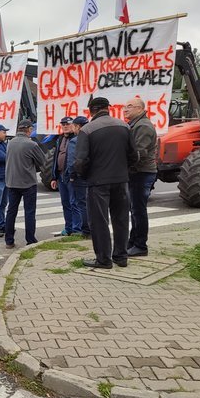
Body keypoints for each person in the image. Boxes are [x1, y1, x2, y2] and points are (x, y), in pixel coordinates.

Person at [74, 97, 135, 269]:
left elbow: (80, 161)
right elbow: (134, 155)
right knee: (121, 219)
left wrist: (85, 176)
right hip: (121, 181)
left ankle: (104, 259)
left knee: (99, 221)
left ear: (91, 111)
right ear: (108, 108)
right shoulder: (125, 126)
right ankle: (121, 257)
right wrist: (124, 170)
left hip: (98, 182)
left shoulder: (87, 130)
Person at [124, 97, 158, 256]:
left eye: (129, 106)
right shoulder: (136, 124)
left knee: (138, 210)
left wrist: (125, 166)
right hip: (138, 172)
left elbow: (138, 152)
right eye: (125, 106)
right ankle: (133, 241)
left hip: (141, 172)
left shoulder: (142, 126)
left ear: (140, 108)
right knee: (134, 209)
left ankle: (140, 245)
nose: (125, 109)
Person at [4, 120, 45, 248]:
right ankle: (30, 240)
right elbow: (43, 161)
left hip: (12, 182)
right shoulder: (31, 144)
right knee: (29, 212)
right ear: (28, 129)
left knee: (11, 211)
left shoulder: (10, 143)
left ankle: (9, 240)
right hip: (28, 183)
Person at [50, 116, 75, 235]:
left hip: (71, 176)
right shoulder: (59, 139)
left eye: (68, 124)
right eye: (63, 124)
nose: (65, 126)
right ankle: (68, 228)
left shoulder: (76, 138)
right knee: (65, 203)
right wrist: (53, 176)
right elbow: (55, 157)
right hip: (60, 176)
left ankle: (76, 228)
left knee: (74, 203)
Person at [67, 116, 91, 237]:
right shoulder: (93, 136)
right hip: (92, 175)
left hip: (79, 177)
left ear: (77, 126)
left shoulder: (75, 140)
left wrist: (71, 175)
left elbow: (72, 161)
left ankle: (86, 230)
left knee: (80, 203)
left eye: (73, 126)